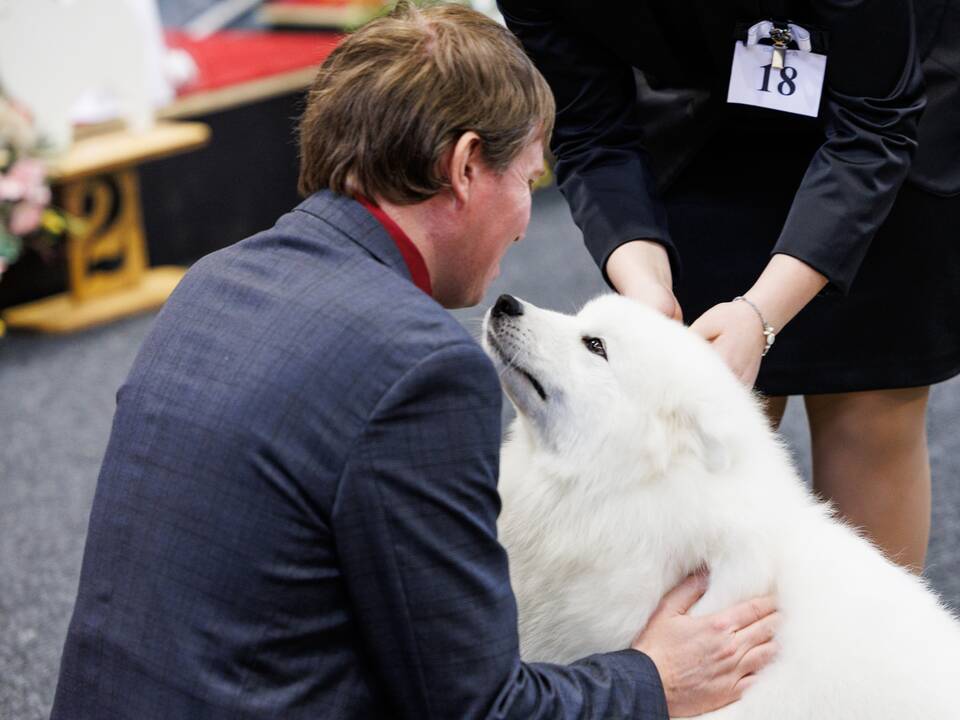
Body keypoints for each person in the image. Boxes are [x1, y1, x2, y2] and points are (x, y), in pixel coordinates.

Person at [50, 4, 779, 719]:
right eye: (527, 181)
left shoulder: (213, 280)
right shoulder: (420, 368)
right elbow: (480, 706)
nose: (528, 225)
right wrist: (656, 679)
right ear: (465, 166)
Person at [499, 0, 960, 573]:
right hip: (700, 113)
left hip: (886, 111)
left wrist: (760, 314)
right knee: (690, 450)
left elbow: (875, 125)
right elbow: (592, 131)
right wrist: (644, 284)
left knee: (867, 405)